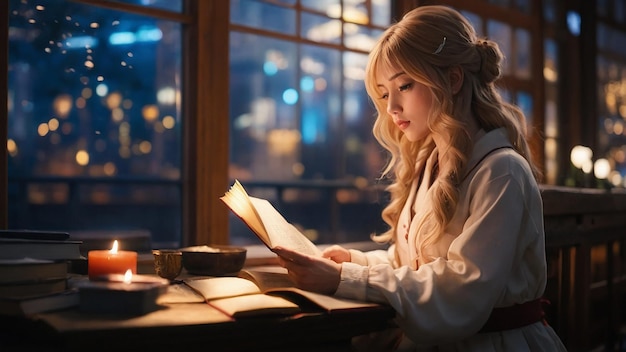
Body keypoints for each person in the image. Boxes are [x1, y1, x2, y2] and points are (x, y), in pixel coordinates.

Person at [272, 5, 568, 351]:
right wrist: (357, 262)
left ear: (453, 79)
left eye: (405, 85)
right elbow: (413, 267)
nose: (391, 107)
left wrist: (346, 279)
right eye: (384, 94)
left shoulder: (501, 171)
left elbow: (461, 290)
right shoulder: (429, 162)